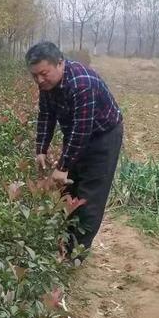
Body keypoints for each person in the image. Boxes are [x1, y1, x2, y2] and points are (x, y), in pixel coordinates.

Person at [26, 42, 123, 259]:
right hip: (78, 134)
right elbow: (46, 115)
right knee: (69, 191)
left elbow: (82, 130)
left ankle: (75, 256)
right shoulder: (47, 85)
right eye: (35, 76)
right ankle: (63, 244)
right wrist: (41, 148)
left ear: (60, 63)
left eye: (43, 74)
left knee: (89, 196)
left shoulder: (82, 83)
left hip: (102, 137)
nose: (40, 80)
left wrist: (62, 167)